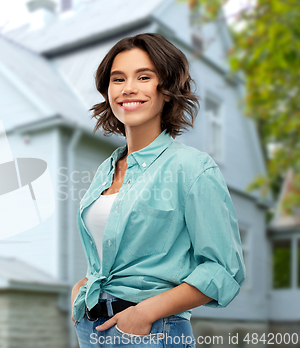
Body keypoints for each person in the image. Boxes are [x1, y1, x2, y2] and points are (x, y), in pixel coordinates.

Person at [70, 33, 246, 348]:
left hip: (150, 333)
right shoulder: (105, 170)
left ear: (167, 90)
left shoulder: (192, 168)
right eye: (118, 78)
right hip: (91, 328)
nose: (128, 88)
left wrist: (146, 312)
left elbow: (223, 269)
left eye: (144, 77)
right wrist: (83, 286)